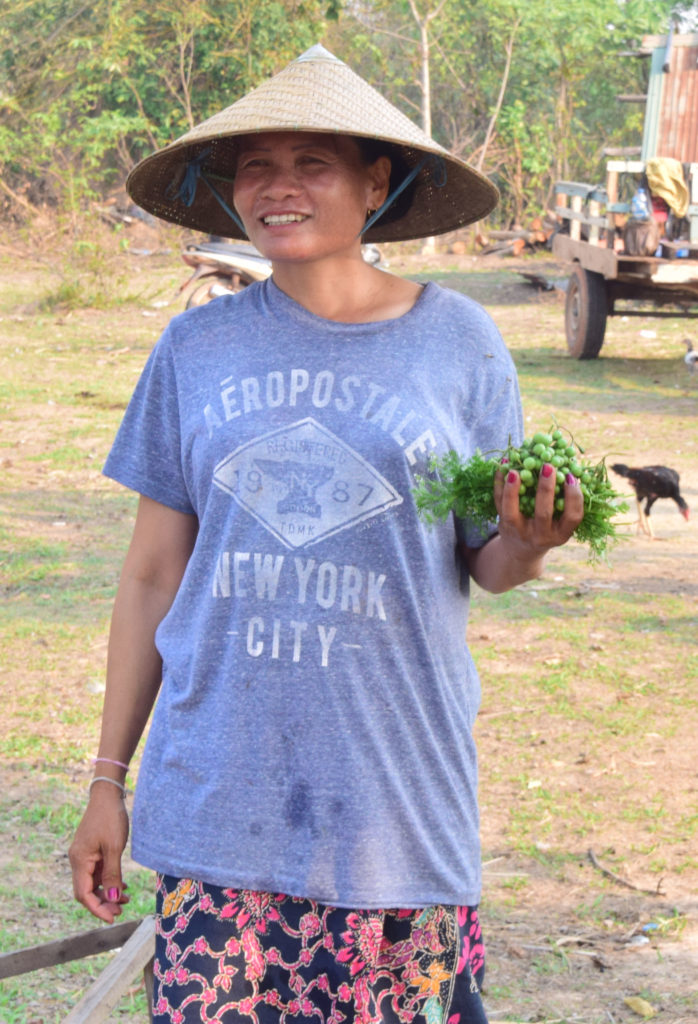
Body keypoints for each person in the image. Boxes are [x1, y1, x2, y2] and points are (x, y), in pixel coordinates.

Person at [69, 45, 583, 1024]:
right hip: (218, 797)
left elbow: (490, 559)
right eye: (254, 167)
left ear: (374, 182)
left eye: (311, 162)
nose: (278, 188)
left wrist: (534, 539)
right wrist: (105, 782)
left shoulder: (459, 342)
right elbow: (148, 576)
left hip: (393, 802)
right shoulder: (195, 347)